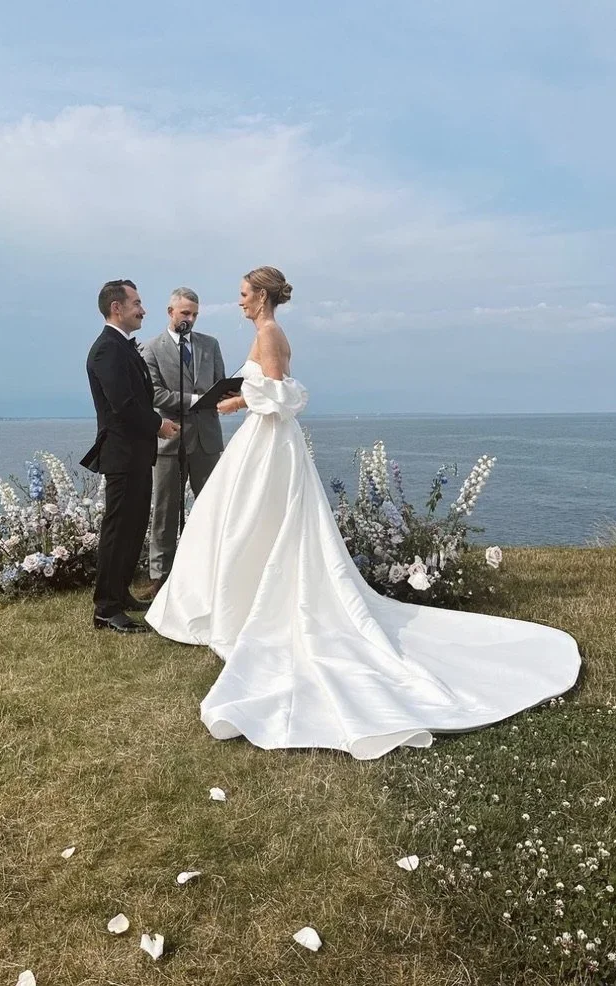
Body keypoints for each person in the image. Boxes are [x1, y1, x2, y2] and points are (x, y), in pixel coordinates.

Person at [145, 266, 581, 759]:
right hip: (263, 442)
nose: (240, 302)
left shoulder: (269, 334)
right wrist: (245, 400)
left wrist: (240, 400)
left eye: (244, 295)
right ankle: (240, 597)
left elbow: (282, 395)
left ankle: (246, 605)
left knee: (255, 521)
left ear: (262, 296)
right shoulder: (267, 332)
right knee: (242, 520)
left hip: (268, 443)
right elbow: (277, 392)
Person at [81, 279, 179, 634]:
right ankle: (105, 609)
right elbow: (123, 405)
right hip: (122, 454)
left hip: (137, 454)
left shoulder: (123, 347)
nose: (144, 309)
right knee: (118, 530)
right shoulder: (107, 349)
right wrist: (159, 425)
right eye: (137, 303)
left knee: (134, 527)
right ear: (116, 308)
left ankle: (120, 594)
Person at [137, 287, 227, 599]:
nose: (190, 318)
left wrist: (223, 396)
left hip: (207, 440)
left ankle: (210, 572)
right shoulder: (150, 349)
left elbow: (220, 385)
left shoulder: (210, 345)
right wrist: (194, 399)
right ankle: (160, 578)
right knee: (165, 511)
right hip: (170, 442)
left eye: (194, 314)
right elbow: (154, 394)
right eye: (185, 313)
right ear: (170, 312)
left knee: (213, 508)